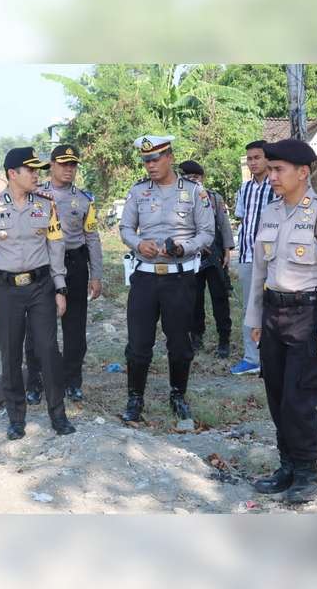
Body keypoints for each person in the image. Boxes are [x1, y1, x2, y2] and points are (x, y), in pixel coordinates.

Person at [245, 139, 317, 503]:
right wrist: (255, 318)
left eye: (278, 170)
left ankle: (308, 472)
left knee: (299, 400)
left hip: (308, 315)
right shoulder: (271, 212)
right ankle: (287, 466)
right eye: (269, 169)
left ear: (303, 173)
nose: (270, 175)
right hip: (273, 313)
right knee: (276, 396)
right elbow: (261, 269)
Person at [0, 146, 76, 440]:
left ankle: (58, 415)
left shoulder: (46, 203)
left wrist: (60, 288)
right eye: (31, 170)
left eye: (38, 170)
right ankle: (16, 418)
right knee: (11, 353)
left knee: (48, 350)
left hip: (41, 287)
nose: (36, 175)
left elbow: (56, 247)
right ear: (12, 174)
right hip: (6, 291)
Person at [118, 135, 214, 422]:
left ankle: (178, 395)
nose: (150, 165)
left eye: (156, 158)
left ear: (170, 157)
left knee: (180, 343)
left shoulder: (195, 192)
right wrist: (137, 244)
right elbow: (125, 228)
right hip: (145, 278)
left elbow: (207, 233)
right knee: (138, 343)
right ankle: (135, 398)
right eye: (146, 160)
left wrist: (185, 248)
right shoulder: (138, 192)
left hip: (180, 280)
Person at [24, 144, 104, 404]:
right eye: (63, 164)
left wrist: (96, 274)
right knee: (37, 328)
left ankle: (73, 381)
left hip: (75, 264)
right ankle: (35, 382)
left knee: (75, 328)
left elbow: (92, 237)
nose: (69, 169)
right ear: (52, 166)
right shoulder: (35, 195)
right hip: (43, 265)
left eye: (73, 165)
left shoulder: (83, 199)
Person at [178, 160, 234, 359]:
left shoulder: (213, 197)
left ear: (202, 178)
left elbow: (224, 224)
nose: (192, 181)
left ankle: (224, 339)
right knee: (195, 299)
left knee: (220, 297)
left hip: (214, 255)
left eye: (195, 177)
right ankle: (196, 336)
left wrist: (227, 250)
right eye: (187, 178)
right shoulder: (178, 199)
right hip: (191, 256)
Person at [231, 140, 275, 375]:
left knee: (276, 309)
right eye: (249, 158)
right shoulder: (245, 188)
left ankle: (273, 357)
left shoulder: (277, 186)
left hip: (273, 259)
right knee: (251, 309)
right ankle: (252, 358)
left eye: (257, 157)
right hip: (247, 256)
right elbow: (242, 220)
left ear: (268, 159)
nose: (253, 162)